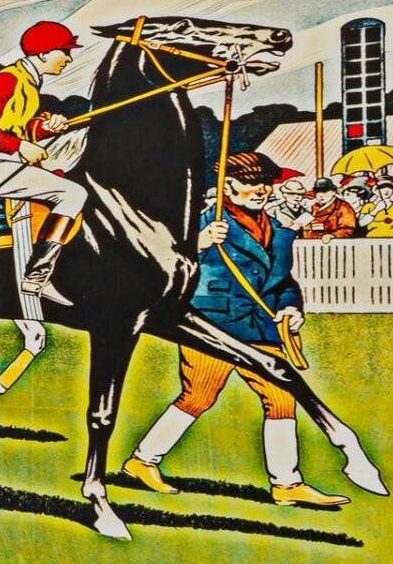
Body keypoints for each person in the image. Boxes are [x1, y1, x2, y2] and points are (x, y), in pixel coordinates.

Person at [123, 152, 346, 507]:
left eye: (265, 183)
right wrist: (196, 244)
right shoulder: (200, 223)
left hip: (261, 327)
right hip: (212, 325)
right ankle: (142, 461)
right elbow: (160, 263)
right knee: (198, 397)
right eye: (250, 182)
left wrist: (291, 307)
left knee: (281, 399)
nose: (260, 190)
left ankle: (287, 484)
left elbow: (282, 281)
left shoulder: (279, 231)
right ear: (228, 186)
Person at [0, 19, 87, 301]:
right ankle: (37, 275)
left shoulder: (28, 83)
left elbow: (14, 126)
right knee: (74, 193)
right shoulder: (7, 80)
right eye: (64, 51)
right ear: (43, 54)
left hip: (5, 161)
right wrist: (19, 145)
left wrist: (44, 128)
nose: (69, 58)